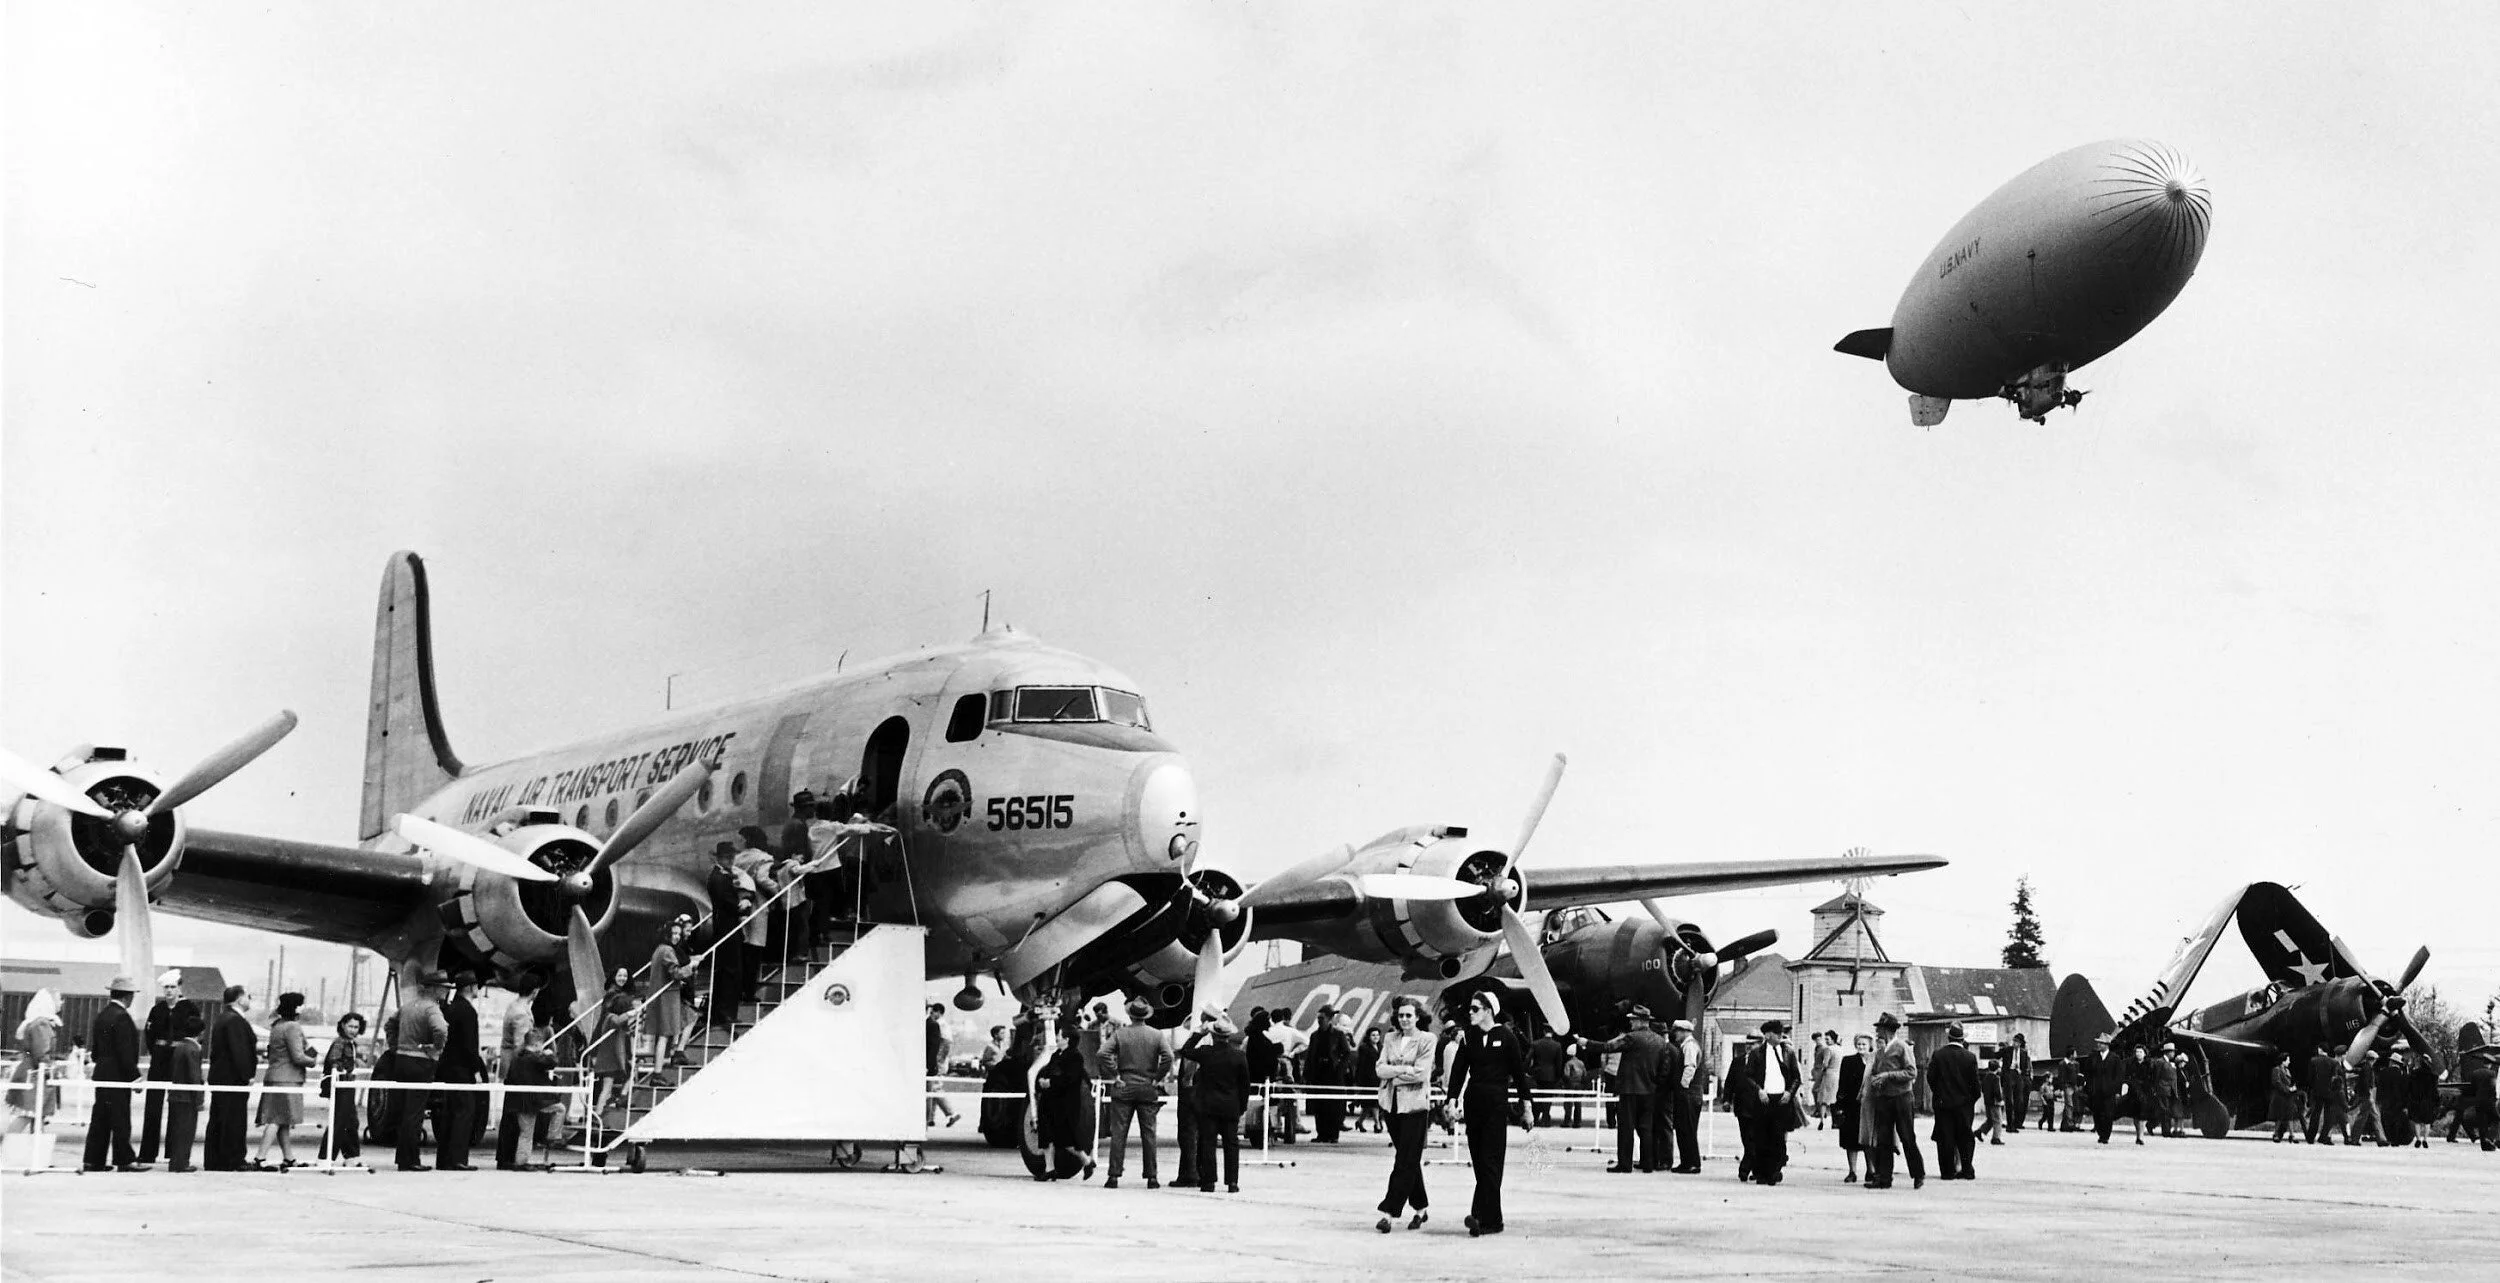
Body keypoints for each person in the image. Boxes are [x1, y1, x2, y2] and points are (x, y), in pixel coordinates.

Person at [1447, 992, 1536, 1237]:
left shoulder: (1506, 1037)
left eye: (1475, 1009)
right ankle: (1489, 1218)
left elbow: (1519, 1075)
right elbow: (1458, 1071)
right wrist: (1451, 1100)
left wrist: (1527, 1108)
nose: (1471, 1013)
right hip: (1474, 1103)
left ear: (1488, 1010)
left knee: (1491, 1162)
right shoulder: (1468, 1037)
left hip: (1496, 1105)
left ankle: (1484, 1218)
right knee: (1479, 1162)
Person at [1094, 997, 1173, 1188]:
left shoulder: (1121, 1034)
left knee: (1119, 1133)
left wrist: (1115, 1074)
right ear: (1146, 1015)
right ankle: (1152, 1177)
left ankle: (1113, 1175)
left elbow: (1102, 1053)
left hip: (1124, 1086)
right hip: (1147, 1087)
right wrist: (1158, 1077)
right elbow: (1168, 1056)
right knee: (1149, 1133)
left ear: (1130, 1015)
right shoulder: (1156, 1035)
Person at [1373, 998, 1436, 1233]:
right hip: (1392, 1106)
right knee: (1408, 1158)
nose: (1404, 1019)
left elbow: (1421, 1074)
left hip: (1415, 1107)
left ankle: (1389, 1212)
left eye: (1409, 1015)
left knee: (1405, 1160)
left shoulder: (1427, 1040)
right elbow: (1380, 1069)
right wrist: (1402, 1070)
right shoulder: (1390, 1038)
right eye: (1401, 1015)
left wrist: (1393, 1073)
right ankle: (1421, 1208)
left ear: (1418, 1017)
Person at [81, 974, 147, 1172]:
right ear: (128, 996)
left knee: (100, 1118)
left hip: (102, 1074)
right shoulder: (122, 1018)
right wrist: (135, 1077)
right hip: (117, 1076)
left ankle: (93, 1160)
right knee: (120, 1118)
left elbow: (96, 1051)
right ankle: (124, 1159)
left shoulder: (103, 1015)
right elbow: (125, 1052)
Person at [1592, 1006, 1669, 1173]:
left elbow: (1608, 1047)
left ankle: (1625, 1164)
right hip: (1649, 1091)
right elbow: (1664, 1068)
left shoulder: (1631, 1038)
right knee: (1646, 1128)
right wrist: (1654, 1084)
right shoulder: (1660, 1042)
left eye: (1633, 1020)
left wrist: (1587, 1043)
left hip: (1630, 1089)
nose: (1630, 1023)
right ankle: (1648, 1163)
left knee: (1626, 1128)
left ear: (1641, 1021)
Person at [1181, 1016, 1250, 1193]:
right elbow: (1244, 1086)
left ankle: (1208, 1181)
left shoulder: (1206, 1052)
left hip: (1208, 1106)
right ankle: (1232, 1182)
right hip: (1230, 1106)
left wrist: (1197, 1034)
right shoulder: (1239, 1056)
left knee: (1207, 1143)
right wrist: (1241, 1107)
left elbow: (1186, 1051)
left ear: (1213, 1034)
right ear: (1228, 1035)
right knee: (1231, 1144)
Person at [1731, 1019, 1803, 1186]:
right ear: (1768, 1035)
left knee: (1778, 1136)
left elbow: (1796, 1077)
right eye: (1777, 1034)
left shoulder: (1788, 1052)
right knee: (1761, 1136)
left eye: (1781, 1034)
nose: (1780, 1037)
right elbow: (1748, 1075)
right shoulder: (1757, 1053)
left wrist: (1789, 1093)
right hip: (1764, 1099)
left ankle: (1775, 1170)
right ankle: (1762, 1173)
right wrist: (1759, 1090)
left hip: (1782, 1099)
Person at [253, 991, 319, 1168]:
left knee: (282, 1120)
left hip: (275, 1076)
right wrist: (313, 1061)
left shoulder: (277, 1026)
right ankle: (260, 1157)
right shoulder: (293, 1027)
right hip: (288, 1079)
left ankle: (288, 1157)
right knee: (276, 1119)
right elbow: (298, 1056)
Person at [393, 971, 451, 1171]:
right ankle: (410, 1160)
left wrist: (395, 1046)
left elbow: (390, 1025)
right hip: (421, 1063)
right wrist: (436, 1048)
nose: (446, 991)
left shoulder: (408, 1007)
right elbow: (441, 1029)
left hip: (401, 1060)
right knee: (414, 1113)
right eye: (444, 987)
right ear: (434, 988)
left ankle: (403, 1158)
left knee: (406, 1111)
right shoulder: (431, 1009)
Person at [1862, 1012, 1925, 1190]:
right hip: (1884, 1098)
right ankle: (1884, 1178)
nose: (1877, 1033)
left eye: (1879, 1029)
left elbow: (1912, 1072)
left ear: (1888, 1031)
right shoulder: (1880, 1051)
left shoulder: (1902, 1047)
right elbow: (1876, 1071)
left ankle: (1918, 1173)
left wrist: (1888, 1076)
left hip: (1902, 1098)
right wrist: (1876, 1079)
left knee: (1907, 1136)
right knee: (1884, 1139)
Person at [434, 973, 488, 1171]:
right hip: (463, 1069)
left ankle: (444, 1159)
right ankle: (457, 1159)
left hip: (448, 1068)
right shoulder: (467, 1011)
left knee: (450, 1113)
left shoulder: (451, 1008)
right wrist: (476, 1070)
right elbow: (470, 1045)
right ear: (471, 987)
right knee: (464, 1113)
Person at [1031, 1022, 1096, 1181]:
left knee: (1065, 1139)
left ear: (1066, 1039)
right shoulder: (1056, 1055)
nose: (1057, 1038)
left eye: (1059, 1036)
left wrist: (1051, 1083)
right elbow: (1047, 1071)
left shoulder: (1075, 1057)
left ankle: (1086, 1161)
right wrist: (1042, 1081)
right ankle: (1050, 1168)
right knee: (1047, 1136)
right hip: (1050, 1102)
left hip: (1064, 1104)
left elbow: (1071, 1078)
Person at [205, 984, 259, 1171]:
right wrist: (247, 1075)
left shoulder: (224, 1018)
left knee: (220, 1119)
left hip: (221, 1077)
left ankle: (216, 1159)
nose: (249, 1000)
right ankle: (233, 1159)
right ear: (239, 998)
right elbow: (240, 1051)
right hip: (232, 1079)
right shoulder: (235, 1021)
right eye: (247, 996)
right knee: (233, 1120)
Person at [496, 1019, 559, 1171]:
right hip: (529, 1102)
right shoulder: (535, 1059)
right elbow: (551, 1063)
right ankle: (523, 1160)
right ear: (537, 1044)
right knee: (527, 1132)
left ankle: (520, 1158)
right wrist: (549, 1054)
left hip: (517, 1101)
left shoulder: (518, 1058)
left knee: (525, 1131)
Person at [137, 970, 184, 1165]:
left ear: (179, 988)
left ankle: (173, 1151)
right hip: (159, 1059)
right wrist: (157, 1051)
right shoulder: (157, 1010)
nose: (169, 991)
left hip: (177, 1060)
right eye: (166, 988)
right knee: (153, 1106)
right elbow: (149, 1035)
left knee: (176, 1105)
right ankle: (148, 1152)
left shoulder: (188, 1008)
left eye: (173, 987)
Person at [704, 842, 750, 1030]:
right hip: (727, 929)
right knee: (731, 971)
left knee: (725, 971)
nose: (731, 860)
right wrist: (743, 904)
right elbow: (729, 903)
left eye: (732, 857)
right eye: (727, 857)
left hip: (725, 928)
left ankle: (720, 1013)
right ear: (719, 858)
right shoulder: (720, 878)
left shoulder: (719, 876)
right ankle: (726, 1013)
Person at [1926, 1024, 1980, 1181]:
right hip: (1964, 1105)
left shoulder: (1938, 1055)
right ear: (1963, 1039)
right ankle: (1967, 1169)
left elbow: (1931, 1078)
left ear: (1948, 1038)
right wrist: (1970, 1100)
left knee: (1945, 1138)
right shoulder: (1970, 1057)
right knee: (1965, 1136)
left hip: (1943, 1104)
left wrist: (1939, 1094)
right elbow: (1976, 1085)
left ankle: (1947, 1171)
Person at [161, 1004, 207, 1172]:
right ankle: (181, 1163)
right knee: (186, 1131)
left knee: (176, 1129)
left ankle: (175, 1161)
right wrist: (200, 1099)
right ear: (200, 1032)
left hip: (175, 1095)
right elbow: (195, 1077)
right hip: (187, 1097)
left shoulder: (179, 1047)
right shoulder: (193, 1049)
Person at [320, 1011, 367, 1165]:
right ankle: (325, 1157)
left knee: (350, 1121)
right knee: (339, 1121)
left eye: (356, 1027)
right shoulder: (341, 1042)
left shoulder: (350, 1043)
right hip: (340, 1084)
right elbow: (333, 1060)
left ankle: (351, 1157)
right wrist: (343, 1069)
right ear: (342, 1025)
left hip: (347, 1084)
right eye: (350, 1026)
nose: (353, 1030)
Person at [645, 920, 692, 1066]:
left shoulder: (659, 949)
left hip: (661, 997)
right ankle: (657, 1073)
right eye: (674, 934)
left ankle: (659, 1069)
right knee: (664, 1036)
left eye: (679, 934)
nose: (677, 937)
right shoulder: (667, 951)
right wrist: (691, 967)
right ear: (667, 935)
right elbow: (676, 973)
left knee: (664, 1036)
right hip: (666, 999)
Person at [1308, 1007, 1355, 1143]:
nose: (1319, 1021)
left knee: (1333, 1105)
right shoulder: (1315, 1035)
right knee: (1320, 1104)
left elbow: (1346, 1052)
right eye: (1318, 1018)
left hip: (1333, 1073)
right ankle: (1321, 1133)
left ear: (1329, 1019)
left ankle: (1333, 1134)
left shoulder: (1338, 1035)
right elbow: (1311, 1055)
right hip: (1319, 1073)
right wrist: (1309, 1074)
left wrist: (1340, 1068)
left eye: (1321, 1018)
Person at [1668, 1018, 1705, 1173]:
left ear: (1683, 1031)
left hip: (1688, 1094)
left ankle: (1691, 1163)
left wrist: (1683, 1086)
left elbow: (1689, 1067)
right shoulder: (1689, 1045)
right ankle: (1687, 1162)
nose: (1675, 1035)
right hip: (1692, 1094)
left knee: (1687, 1129)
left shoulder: (1689, 1047)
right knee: (1685, 1129)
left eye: (1677, 1031)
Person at [1834, 1032, 1871, 1182]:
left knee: (1869, 1139)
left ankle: (1871, 1170)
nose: (1861, 1047)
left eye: (1864, 1044)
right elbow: (1842, 1083)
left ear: (1870, 1046)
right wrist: (1840, 1104)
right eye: (1859, 1044)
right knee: (1851, 1139)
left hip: (1869, 1105)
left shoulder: (1874, 1061)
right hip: (1851, 1105)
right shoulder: (1848, 1061)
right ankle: (1852, 1171)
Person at [926, 1004, 963, 1128]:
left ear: (938, 1012)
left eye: (933, 1012)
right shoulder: (941, 1024)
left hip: (937, 1062)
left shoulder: (941, 1025)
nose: (931, 1015)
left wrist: (937, 1061)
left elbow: (946, 1045)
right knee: (931, 1089)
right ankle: (930, 1118)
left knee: (935, 1088)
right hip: (938, 1061)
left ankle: (952, 1113)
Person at [2303, 1042, 2344, 1145]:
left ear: (2320, 1050)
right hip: (2329, 1092)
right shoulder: (2334, 1062)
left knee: (2315, 1115)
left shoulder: (2313, 1061)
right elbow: (2336, 1078)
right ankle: (2323, 1136)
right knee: (2328, 1117)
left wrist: (2311, 1090)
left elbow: (2310, 1078)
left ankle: (2311, 1137)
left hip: (2317, 1092)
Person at [2347, 1051, 2386, 1146]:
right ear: (2372, 1059)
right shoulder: (2367, 1069)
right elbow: (2366, 1083)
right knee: (2364, 1117)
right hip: (2367, 1096)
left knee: (2374, 1116)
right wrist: (2370, 1096)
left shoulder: (2366, 1068)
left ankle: (2381, 1139)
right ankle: (2355, 1139)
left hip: (2367, 1096)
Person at [1353, 1026, 1387, 1133]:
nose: (1376, 1037)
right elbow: (1361, 1065)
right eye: (1373, 1035)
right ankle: (1377, 1123)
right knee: (1373, 1102)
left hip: (1379, 1078)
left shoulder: (1382, 1047)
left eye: (1377, 1035)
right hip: (1368, 1079)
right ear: (1369, 1036)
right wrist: (1359, 1080)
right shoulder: (1364, 1048)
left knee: (1369, 1104)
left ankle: (1359, 1121)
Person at [2268, 1051, 2302, 1142]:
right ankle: (2276, 1134)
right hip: (2280, 1096)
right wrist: (2288, 1089)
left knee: (2289, 1116)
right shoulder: (2276, 1070)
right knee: (2280, 1116)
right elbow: (2277, 1082)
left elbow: (2287, 1082)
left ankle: (2292, 1135)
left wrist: (2292, 1088)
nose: (2289, 1062)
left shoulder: (2287, 1070)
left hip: (2287, 1097)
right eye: (2288, 1060)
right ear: (2283, 1061)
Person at [2150, 1042, 2182, 1139]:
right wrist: (2156, 1089)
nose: (2174, 1054)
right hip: (2162, 1089)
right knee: (2165, 1111)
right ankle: (2166, 1131)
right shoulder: (2160, 1062)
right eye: (2172, 1052)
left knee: (2166, 1111)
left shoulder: (2169, 1063)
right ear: (2168, 1052)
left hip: (2170, 1091)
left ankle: (2151, 1125)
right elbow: (2156, 1076)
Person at [1810, 1030, 1840, 1127]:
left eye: (1827, 1039)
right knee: (1834, 1098)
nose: (1826, 1041)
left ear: (1832, 1039)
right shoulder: (1839, 1048)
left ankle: (1822, 1120)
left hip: (1828, 1074)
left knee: (1823, 1098)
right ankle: (1835, 1122)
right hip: (1837, 1074)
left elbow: (1825, 1064)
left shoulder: (1828, 1049)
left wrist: (1822, 1069)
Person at [2002, 1033, 2032, 1133]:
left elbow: (2025, 1066)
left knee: (2018, 1101)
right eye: (2014, 1041)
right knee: (2009, 1101)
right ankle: (2009, 1124)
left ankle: (2015, 1123)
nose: (2014, 1043)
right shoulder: (2008, 1050)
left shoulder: (2023, 1052)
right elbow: (1998, 1055)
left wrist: (2022, 1074)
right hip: (2009, 1073)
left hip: (2018, 1075)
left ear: (2020, 1044)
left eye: (2017, 1042)